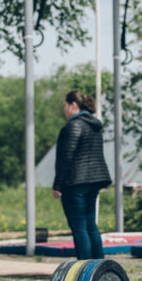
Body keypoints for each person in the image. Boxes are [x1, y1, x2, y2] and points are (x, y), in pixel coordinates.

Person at [52, 91, 111, 260]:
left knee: (79, 227)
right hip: (93, 181)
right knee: (90, 225)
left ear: (73, 105)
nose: (64, 110)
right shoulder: (94, 126)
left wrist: (57, 185)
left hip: (75, 183)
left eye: (65, 105)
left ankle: (84, 267)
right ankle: (99, 265)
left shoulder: (74, 126)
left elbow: (66, 157)